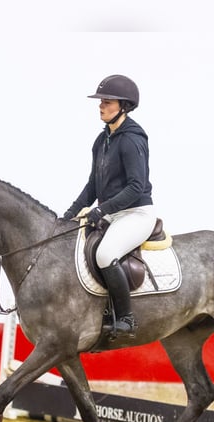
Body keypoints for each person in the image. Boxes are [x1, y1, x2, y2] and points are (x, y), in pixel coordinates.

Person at [63, 74, 156, 338]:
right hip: (114, 214)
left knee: (105, 254)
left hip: (137, 213)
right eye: (100, 101)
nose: (100, 106)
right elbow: (93, 185)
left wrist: (102, 210)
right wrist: (68, 216)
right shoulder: (101, 141)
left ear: (123, 106)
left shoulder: (131, 139)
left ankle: (126, 317)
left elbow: (136, 187)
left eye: (107, 101)